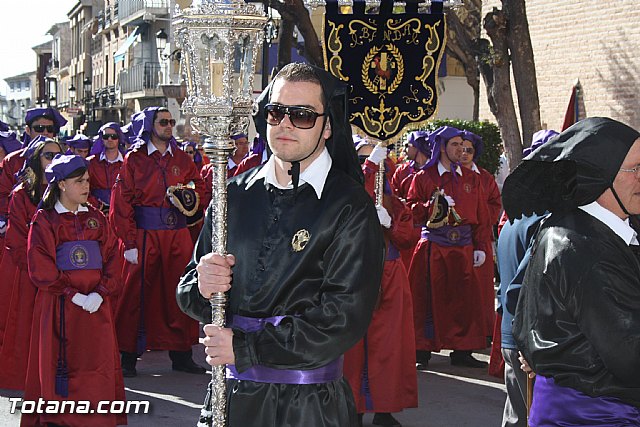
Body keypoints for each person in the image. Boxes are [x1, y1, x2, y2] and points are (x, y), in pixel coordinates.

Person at [176, 62, 385, 426]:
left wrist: (245, 348)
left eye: (303, 115)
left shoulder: (349, 206)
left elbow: (343, 318)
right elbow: (190, 294)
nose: (286, 124)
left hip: (306, 406)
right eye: (276, 112)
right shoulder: (233, 195)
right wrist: (203, 286)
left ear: (327, 125)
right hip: (229, 396)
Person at [505, 117, 640, 425]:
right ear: (601, 174)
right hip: (597, 413)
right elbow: (631, 354)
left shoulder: (586, 228)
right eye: (636, 168)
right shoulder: (582, 245)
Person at [23, 154, 126, 426]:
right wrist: (74, 294)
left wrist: (101, 292)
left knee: (98, 363)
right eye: (79, 181)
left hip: (95, 307)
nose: (86, 186)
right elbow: (40, 266)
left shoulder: (96, 218)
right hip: (60, 306)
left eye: (88, 180)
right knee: (61, 365)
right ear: (61, 185)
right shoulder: (45, 220)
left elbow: (114, 256)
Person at [110, 106, 206, 377]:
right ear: (150, 125)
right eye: (163, 121)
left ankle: (181, 354)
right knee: (135, 295)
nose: (169, 126)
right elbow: (122, 204)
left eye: (171, 121)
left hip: (176, 236)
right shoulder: (134, 160)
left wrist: (190, 198)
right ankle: (128, 356)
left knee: (180, 292)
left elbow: (199, 187)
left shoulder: (182, 158)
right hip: (144, 235)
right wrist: (128, 243)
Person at [345, 141, 418, 427]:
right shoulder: (347, 191)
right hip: (356, 274)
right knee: (353, 345)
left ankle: (385, 407)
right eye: (364, 160)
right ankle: (354, 406)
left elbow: (408, 237)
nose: (374, 170)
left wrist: (391, 224)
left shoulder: (394, 200)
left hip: (390, 273)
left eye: (377, 163)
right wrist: (370, 165)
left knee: (390, 346)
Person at [406, 126, 491, 369]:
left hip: (463, 246)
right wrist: (433, 204)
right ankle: (421, 350)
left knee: (464, 299)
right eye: (454, 144)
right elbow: (412, 210)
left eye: (462, 145)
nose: (460, 149)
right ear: (442, 147)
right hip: (434, 244)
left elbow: (482, 216)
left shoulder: (472, 179)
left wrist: (481, 246)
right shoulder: (424, 177)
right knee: (426, 299)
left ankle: (462, 350)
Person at [0, 137, 62, 386]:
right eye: (48, 155)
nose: (54, 161)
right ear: (36, 161)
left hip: (60, 272)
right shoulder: (21, 195)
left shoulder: (65, 191)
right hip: (28, 272)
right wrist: (41, 270)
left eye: (58, 156)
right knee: (24, 323)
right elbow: (16, 241)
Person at [0, 108, 66, 262]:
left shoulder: (65, 159)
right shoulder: (13, 160)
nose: (45, 133)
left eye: (50, 129)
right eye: (39, 128)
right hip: (20, 230)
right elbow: (2, 195)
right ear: (28, 130)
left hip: (57, 232)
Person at [459, 130, 502, 341]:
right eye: (461, 149)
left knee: (482, 291)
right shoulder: (451, 175)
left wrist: (481, 214)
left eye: (469, 150)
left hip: (482, 239)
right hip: (460, 240)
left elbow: (495, 203)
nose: (464, 154)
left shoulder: (484, 177)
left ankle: (483, 333)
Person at [87, 123, 125, 214]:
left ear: (119, 138)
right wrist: (99, 206)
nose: (110, 139)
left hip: (122, 212)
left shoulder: (128, 162)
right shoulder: (90, 163)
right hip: (96, 212)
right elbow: (83, 189)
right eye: (106, 136)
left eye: (113, 136)